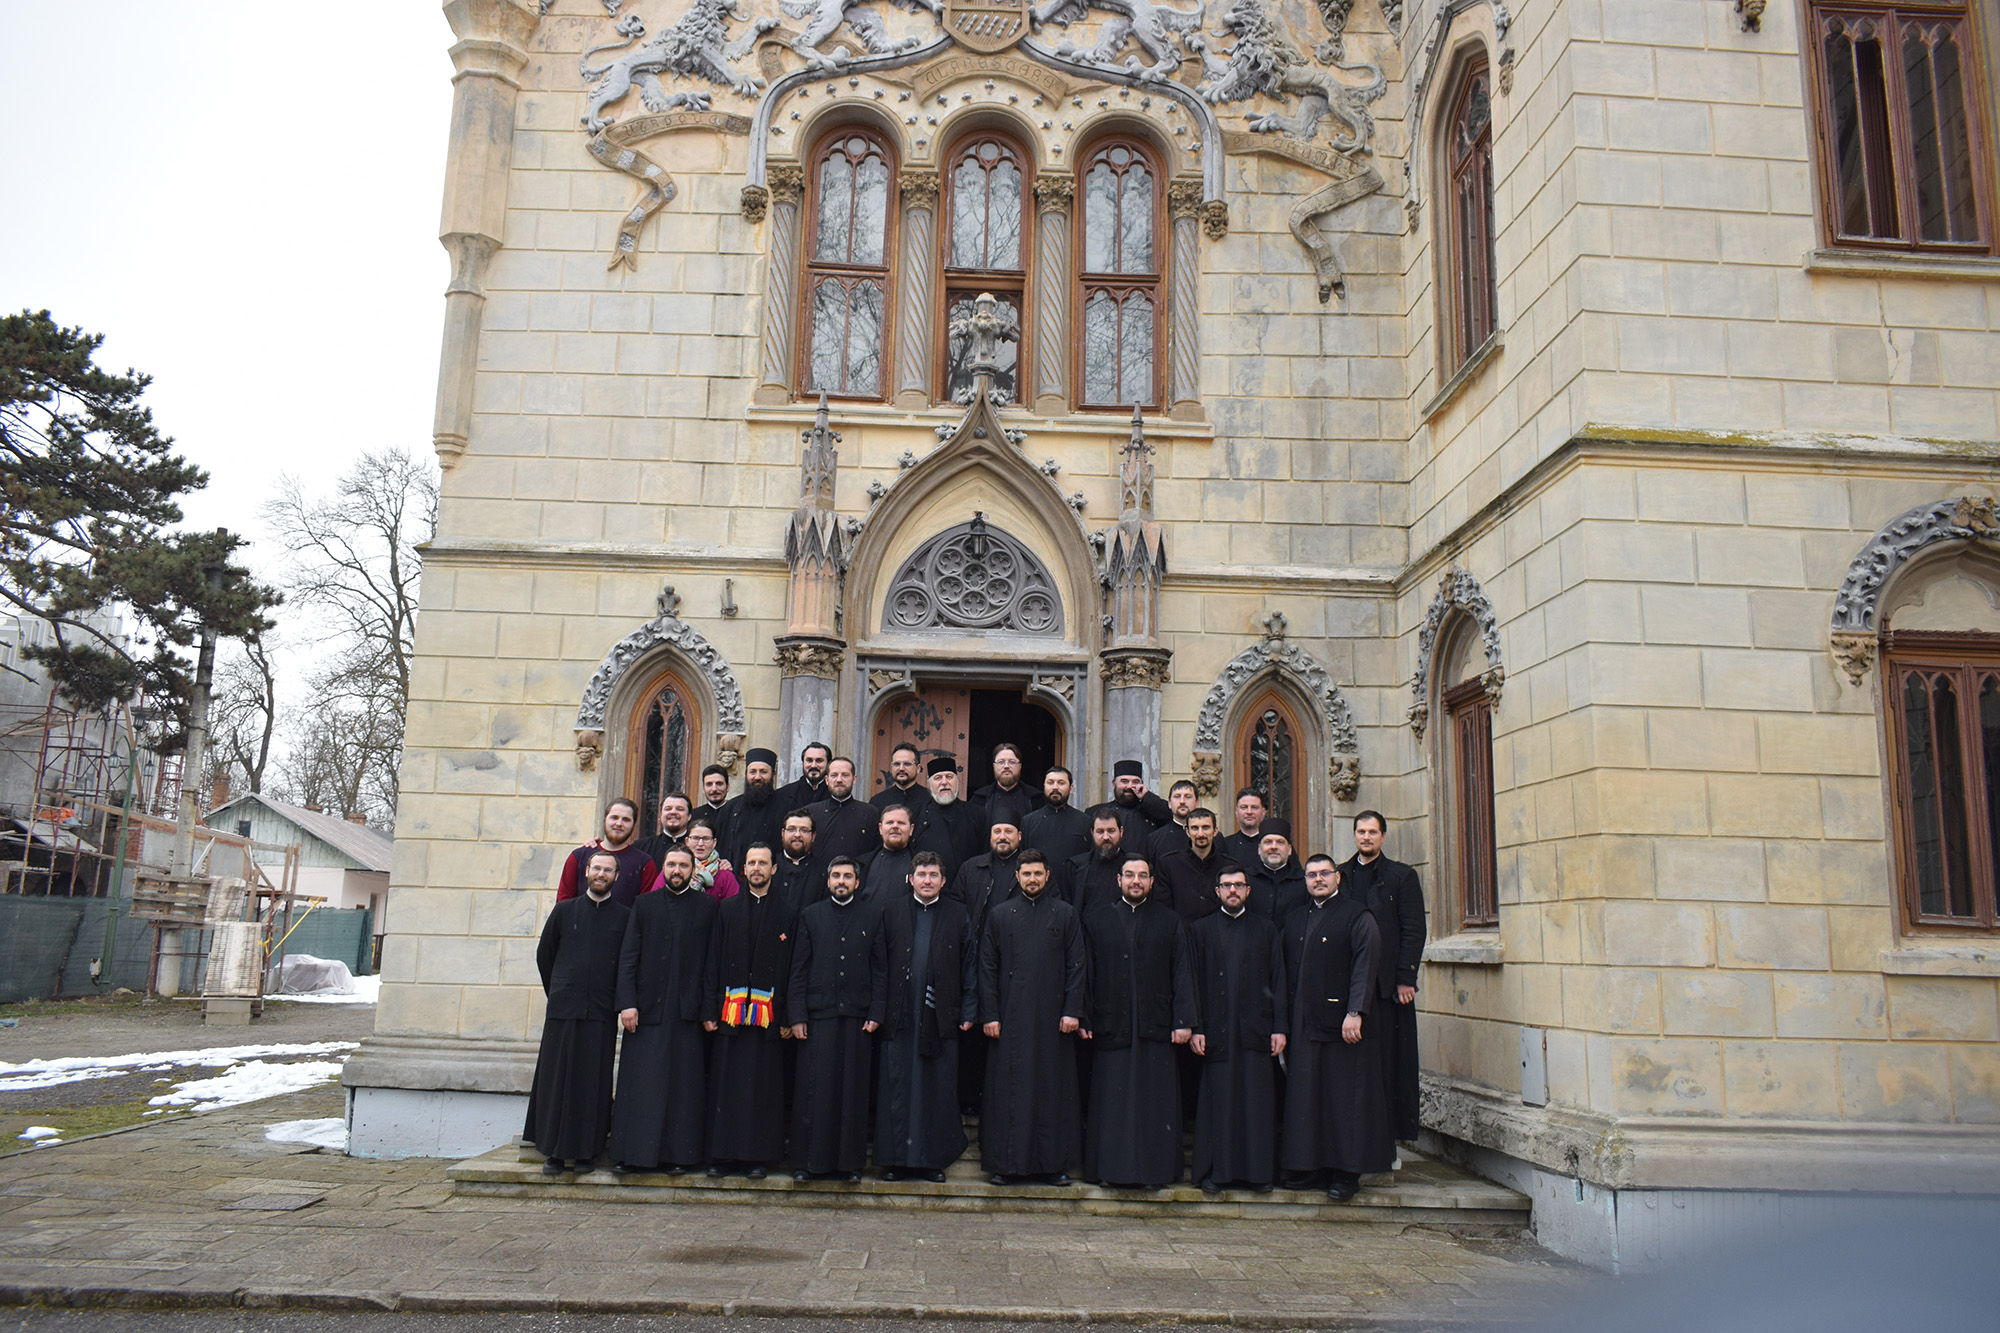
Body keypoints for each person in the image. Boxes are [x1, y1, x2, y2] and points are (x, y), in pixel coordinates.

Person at [1281, 853, 1392, 1201]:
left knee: (1346, 1099)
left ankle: (1346, 1173)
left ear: (1338, 878)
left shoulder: (1357, 916)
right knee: (1309, 1098)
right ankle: (1312, 1167)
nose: (1318, 879)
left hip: (1345, 1025)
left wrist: (1355, 1011)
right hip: (1304, 1023)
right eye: (1311, 874)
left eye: (1324, 874)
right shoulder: (1296, 918)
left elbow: (1366, 963)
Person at [1079, 854, 1193, 1190]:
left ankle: (1154, 1172)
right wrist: (1085, 1015)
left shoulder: (1169, 920)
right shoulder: (1096, 919)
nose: (1136, 882)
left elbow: (1181, 972)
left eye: (1143, 876)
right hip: (1111, 1024)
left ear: (1152, 882)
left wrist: (1184, 1020)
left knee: (1153, 1104)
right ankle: (1111, 1171)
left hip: (1155, 1027)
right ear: (1118, 880)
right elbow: (1087, 973)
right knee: (1112, 1103)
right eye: (1129, 875)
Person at [978, 845, 1086, 1186]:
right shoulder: (1001, 914)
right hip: (1010, 1019)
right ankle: (1007, 1165)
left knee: (1053, 1091)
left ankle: (1053, 1166)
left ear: (1047, 876)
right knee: (1009, 1091)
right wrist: (990, 1014)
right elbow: (987, 967)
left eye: (1038, 873)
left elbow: (1077, 966)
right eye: (1027, 874)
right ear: (1017, 877)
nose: (1033, 879)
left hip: (1054, 1021)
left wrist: (1072, 1010)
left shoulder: (1065, 914)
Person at [607, 847, 719, 1175]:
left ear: (693, 869)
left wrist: (708, 1008)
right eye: (671, 864)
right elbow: (628, 957)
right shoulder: (643, 905)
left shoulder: (708, 907)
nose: (677, 870)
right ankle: (633, 1156)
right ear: (664, 869)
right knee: (641, 1084)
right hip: (646, 1009)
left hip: (688, 1011)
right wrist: (626, 1003)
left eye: (683, 865)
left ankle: (678, 1157)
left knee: (682, 1087)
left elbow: (712, 962)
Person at [869, 851, 977, 1182]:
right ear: (911, 879)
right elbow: (878, 965)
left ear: (943, 881)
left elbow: (969, 965)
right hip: (899, 1014)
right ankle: (896, 1161)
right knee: (897, 1086)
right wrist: (877, 1011)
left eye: (933, 875)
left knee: (936, 1087)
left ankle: (933, 1161)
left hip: (941, 1015)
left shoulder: (958, 914)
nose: (927, 880)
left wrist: (969, 1009)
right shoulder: (892, 910)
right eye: (922, 875)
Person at [1184, 863, 1288, 1193]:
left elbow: (1279, 980)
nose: (1232, 891)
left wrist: (1279, 1028)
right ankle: (1218, 1173)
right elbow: (1192, 984)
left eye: (1238, 885)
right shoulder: (1200, 931)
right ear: (1217, 892)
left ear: (1248, 891)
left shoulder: (1266, 929)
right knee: (1219, 1106)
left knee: (1256, 1105)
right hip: (1216, 1033)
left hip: (1256, 1032)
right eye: (1226, 885)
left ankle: (1258, 1175)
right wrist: (1195, 1027)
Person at [525, 850, 630, 1173]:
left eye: (607, 870)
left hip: (600, 1012)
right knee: (558, 1080)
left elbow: (626, 963)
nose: (601, 874)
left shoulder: (625, 916)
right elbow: (546, 955)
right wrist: (558, 990)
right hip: (563, 1010)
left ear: (616, 876)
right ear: (587, 872)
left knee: (593, 1082)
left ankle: (586, 1152)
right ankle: (554, 1151)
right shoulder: (564, 911)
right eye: (596, 868)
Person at [706, 843, 798, 1179]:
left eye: (763, 863)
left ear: (775, 869)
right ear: (742, 870)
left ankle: (758, 1157)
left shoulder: (789, 913)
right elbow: (713, 960)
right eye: (751, 863)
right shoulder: (727, 909)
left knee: (763, 1089)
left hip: (767, 1020)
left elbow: (792, 970)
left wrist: (788, 1016)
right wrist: (710, 1009)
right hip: (730, 1016)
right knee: (726, 1086)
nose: (757, 868)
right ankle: (723, 1156)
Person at [787, 856, 879, 1181]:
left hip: (857, 1016)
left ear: (857, 882)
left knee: (851, 1092)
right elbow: (798, 970)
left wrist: (876, 1011)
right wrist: (796, 1014)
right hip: (818, 1016)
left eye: (847, 876)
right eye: (836, 875)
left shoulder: (871, 915)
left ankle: (849, 1165)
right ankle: (809, 1163)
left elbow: (879, 968)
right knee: (815, 1091)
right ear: (828, 882)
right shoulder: (811, 915)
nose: (841, 881)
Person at [1340, 810, 1427, 1143]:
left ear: (1383, 837)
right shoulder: (1341, 876)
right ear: (1354, 835)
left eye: (1373, 832)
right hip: (1350, 986)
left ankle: (1387, 1137)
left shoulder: (1401, 877)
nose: (1366, 837)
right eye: (1361, 831)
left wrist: (1406, 976)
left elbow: (1413, 929)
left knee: (1390, 1063)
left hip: (1390, 987)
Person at [555, 799, 657, 905]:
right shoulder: (579, 856)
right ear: (605, 820)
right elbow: (564, 900)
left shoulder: (644, 864)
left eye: (626, 820)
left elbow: (646, 909)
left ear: (633, 824)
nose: (619, 823)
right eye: (614, 817)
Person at [915, 757, 986, 878]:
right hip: (927, 887)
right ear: (929, 783)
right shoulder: (916, 814)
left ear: (957, 781)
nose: (944, 782)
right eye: (938, 778)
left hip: (967, 887)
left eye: (949, 777)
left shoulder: (976, 813)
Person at [803, 757, 881, 867]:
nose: (839, 780)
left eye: (845, 775)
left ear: (854, 779)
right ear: (826, 780)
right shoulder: (811, 812)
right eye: (834, 775)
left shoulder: (870, 813)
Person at [949, 818, 1023, 931]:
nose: (1002, 837)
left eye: (1008, 831)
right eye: (997, 832)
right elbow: (955, 909)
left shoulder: (1031, 870)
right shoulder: (970, 868)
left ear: (1019, 836)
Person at [1087, 760, 1172, 857]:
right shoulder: (1095, 812)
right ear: (1114, 784)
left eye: (1135, 782)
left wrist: (1147, 796)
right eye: (1124, 781)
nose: (1130, 786)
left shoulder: (1153, 811)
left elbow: (1171, 816)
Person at [717, 748, 786, 867]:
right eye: (752, 772)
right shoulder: (730, 808)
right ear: (746, 774)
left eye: (763, 772)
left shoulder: (786, 807)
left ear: (773, 775)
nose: (757, 777)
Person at [1158, 807, 1226, 922]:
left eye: (1206, 828)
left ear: (1215, 831)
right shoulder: (1168, 864)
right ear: (1187, 832)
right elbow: (1163, 909)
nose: (1200, 834)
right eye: (1195, 828)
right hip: (1181, 936)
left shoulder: (1228, 866)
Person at [1022, 766, 1091, 870]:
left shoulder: (1085, 822)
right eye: (1050, 782)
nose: (1055, 787)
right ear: (1044, 786)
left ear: (1071, 788)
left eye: (1061, 783)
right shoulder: (1028, 822)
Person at [1060, 810, 1128, 910]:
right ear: (1092, 833)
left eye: (1111, 831)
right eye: (1100, 831)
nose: (1106, 837)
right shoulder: (1075, 867)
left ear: (1121, 831)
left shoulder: (1133, 868)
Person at [1245, 818, 1307, 921]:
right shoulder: (1245, 879)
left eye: (1280, 842)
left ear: (1290, 850)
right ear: (1259, 849)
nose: (1274, 847)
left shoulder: (1304, 880)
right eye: (1268, 842)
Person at [971, 742, 1039, 833]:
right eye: (1001, 762)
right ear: (994, 766)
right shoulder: (979, 799)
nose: (1006, 766)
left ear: (1020, 766)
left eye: (1012, 762)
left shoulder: (1035, 799)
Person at [861, 803, 918, 904]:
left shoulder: (920, 866)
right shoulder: (862, 864)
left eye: (901, 823)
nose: (895, 826)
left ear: (911, 829)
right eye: (889, 822)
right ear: (880, 828)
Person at [673, 819, 739, 901]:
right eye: (695, 838)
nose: (700, 844)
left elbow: (733, 907)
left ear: (714, 843)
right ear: (687, 841)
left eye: (706, 839)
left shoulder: (725, 875)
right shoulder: (674, 870)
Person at [772, 809, 820, 913]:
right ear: (782, 833)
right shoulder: (769, 867)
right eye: (791, 829)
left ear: (813, 836)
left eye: (804, 830)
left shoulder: (823, 872)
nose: (797, 835)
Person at [1145, 780, 1200, 863]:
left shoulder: (1212, 837)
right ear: (1169, 803)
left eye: (1188, 797)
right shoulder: (1154, 839)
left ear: (1197, 803)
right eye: (1177, 796)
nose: (1182, 801)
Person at [635, 790, 693, 869]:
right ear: (660, 815)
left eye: (679, 809)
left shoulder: (697, 847)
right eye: (668, 809)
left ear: (689, 816)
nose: (673, 812)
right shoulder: (641, 847)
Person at [871, 743, 931, 817]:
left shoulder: (930, 800)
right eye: (896, 764)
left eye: (907, 764)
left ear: (918, 768)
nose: (901, 768)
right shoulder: (877, 801)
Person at [774, 741, 832, 811]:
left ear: (828, 764)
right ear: (803, 763)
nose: (813, 765)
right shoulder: (783, 794)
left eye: (819, 761)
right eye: (809, 760)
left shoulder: (835, 794)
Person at [1221, 788, 1269, 867]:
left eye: (1254, 807)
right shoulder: (1225, 845)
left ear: (1263, 812)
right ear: (1236, 812)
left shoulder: (1274, 845)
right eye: (1244, 807)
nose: (1249, 812)